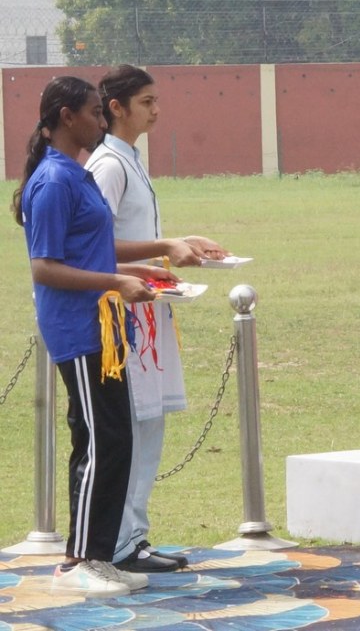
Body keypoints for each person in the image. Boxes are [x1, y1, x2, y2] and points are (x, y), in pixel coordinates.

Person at [14, 76, 170, 597]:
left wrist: (143, 269)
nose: (102, 123)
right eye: (94, 114)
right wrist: (117, 283)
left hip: (103, 326)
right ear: (66, 117)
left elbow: (92, 249)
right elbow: (45, 267)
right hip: (78, 329)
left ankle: (99, 556)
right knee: (101, 442)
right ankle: (78, 561)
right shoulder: (53, 180)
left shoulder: (75, 174)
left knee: (112, 438)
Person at [87, 66, 228, 575]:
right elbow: (93, 245)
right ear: (117, 107)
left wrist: (181, 244)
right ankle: (119, 542)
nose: (156, 110)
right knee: (131, 425)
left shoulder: (130, 159)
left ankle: (133, 536)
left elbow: (134, 237)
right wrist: (164, 247)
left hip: (148, 308)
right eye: (146, 102)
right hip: (120, 313)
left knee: (149, 423)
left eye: (156, 100)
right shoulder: (108, 165)